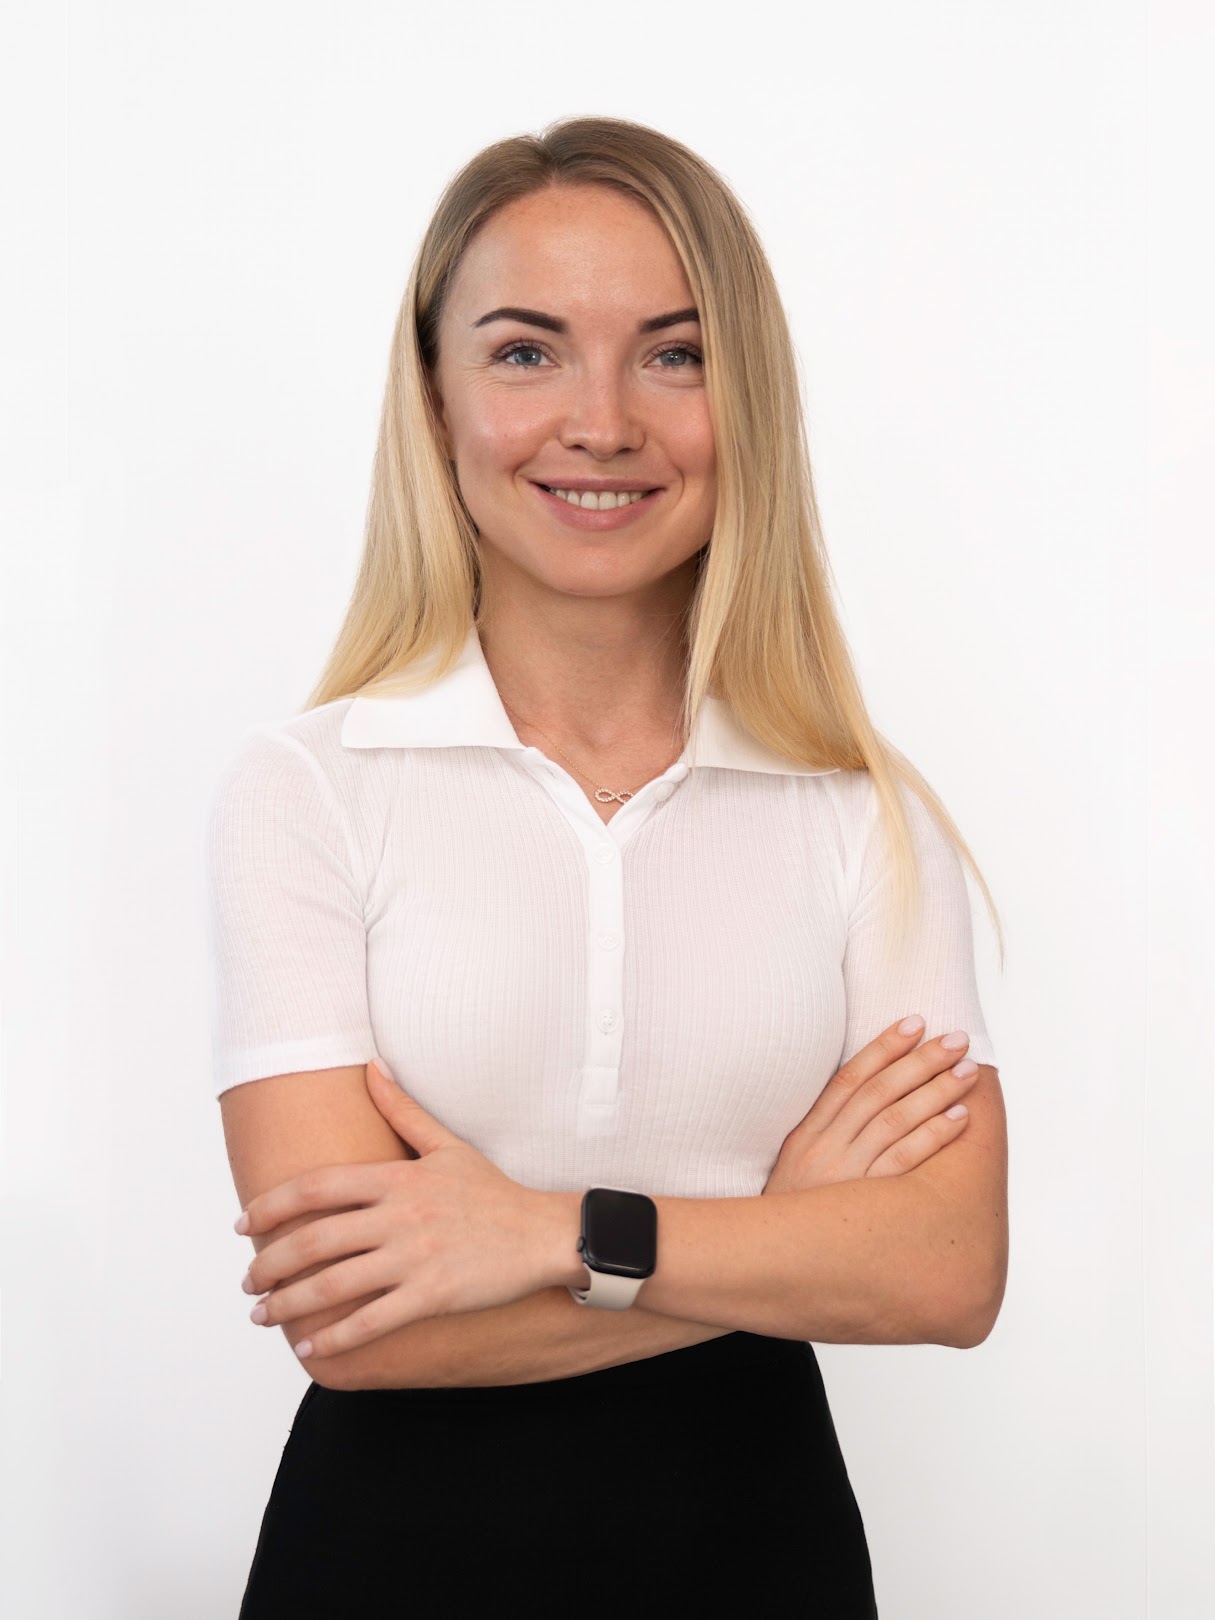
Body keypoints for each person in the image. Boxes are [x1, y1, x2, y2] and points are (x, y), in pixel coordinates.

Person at [204, 115, 1009, 1617]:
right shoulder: (310, 790)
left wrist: (540, 1233)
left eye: (674, 355)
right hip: (385, 1569)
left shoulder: (861, 812)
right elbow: (356, 1326)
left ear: (745, 399)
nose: (601, 422)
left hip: (761, 1562)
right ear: (434, 399)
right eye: (526, 352)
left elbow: (948, 1271)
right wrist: (778, 1234)